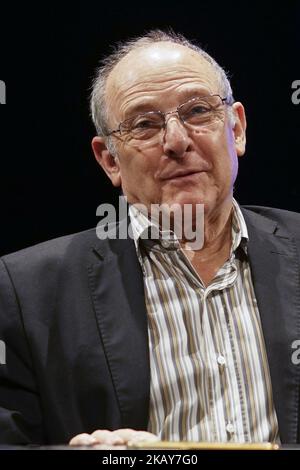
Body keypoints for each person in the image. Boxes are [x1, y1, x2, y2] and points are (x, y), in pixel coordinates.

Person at [0, 30, 299, 447]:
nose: (177, 142)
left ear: (237, 130)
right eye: (144, 124)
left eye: (198, 111)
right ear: (109, 160)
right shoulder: (24, 291)